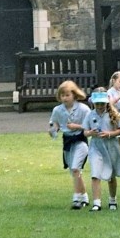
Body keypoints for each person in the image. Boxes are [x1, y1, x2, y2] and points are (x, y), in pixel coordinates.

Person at [48, 80, 91, 209]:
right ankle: (84, 197)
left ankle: (76, 199)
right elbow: (55, 123)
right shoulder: (57, 110)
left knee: (76, 168)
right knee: (74, 172)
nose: (65, 98)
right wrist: (53, 130)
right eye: (62, 95)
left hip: (80, 140)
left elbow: (90, 126)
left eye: (67, 95)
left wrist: (76, 126)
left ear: (74, 95)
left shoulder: (83, 109)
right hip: (67, 142)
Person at [83, 88, 120, 211]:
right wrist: (90, 133)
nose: (100, 106)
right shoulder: (90, 114)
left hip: (110, 146)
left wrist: (110, 134)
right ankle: (97, 202)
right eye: (97, 104)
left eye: (102, 103)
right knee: (95, 174)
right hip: (96, 147)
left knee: (111, 175)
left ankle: (112, 200)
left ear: (106, 102)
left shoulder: (113, 114)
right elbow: (85, 132)